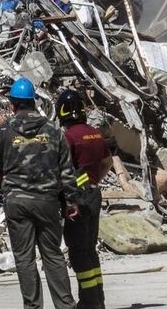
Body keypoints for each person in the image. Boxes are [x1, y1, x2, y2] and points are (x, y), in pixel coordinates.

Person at [0, 77, 81, 309]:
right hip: (47, 201)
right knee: (53, 254)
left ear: (13, 105)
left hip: (16, 201)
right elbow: (66, 170)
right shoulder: (53, 130)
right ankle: (66, 305)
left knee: (24, 258)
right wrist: (71, 200)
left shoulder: (4, 130)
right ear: (33, 102)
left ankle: (32, 307)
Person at [57, 89, 112, 309]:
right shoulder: (96, 134)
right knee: (90, 248)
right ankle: (98, 299)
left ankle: (89, 302)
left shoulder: (68, 137)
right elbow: (107, 162)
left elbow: (64, 169)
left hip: (76, 198)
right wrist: (92, 179)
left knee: (79, 252)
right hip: (94, 193)